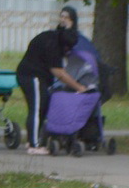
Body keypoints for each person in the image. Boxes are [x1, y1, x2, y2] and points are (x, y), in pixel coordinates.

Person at [16, 25, 87, 154]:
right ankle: (34, 145)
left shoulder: (50, 36)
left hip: (33, 75)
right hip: (32, 76)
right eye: (68, 47)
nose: (68, 50)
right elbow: (59, 73)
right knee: (37, 108)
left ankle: (34, 138)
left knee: (42, 106)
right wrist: (79, 87)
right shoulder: (53, 46)